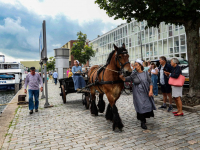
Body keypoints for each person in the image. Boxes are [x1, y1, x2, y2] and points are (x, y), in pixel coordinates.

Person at [119, 59, 156, 129]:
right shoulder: (134, 74)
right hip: (137, 93)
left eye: (136, 64)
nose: (135, 66)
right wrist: (122, 78)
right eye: (135, 65)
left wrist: (151, 90)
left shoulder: (145, 73)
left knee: (147, 105)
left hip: (145, 91)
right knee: (140, 105)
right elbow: (128, 79)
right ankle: (142, 121)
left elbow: (150, 82)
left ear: (140, 65)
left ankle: (145, 118)